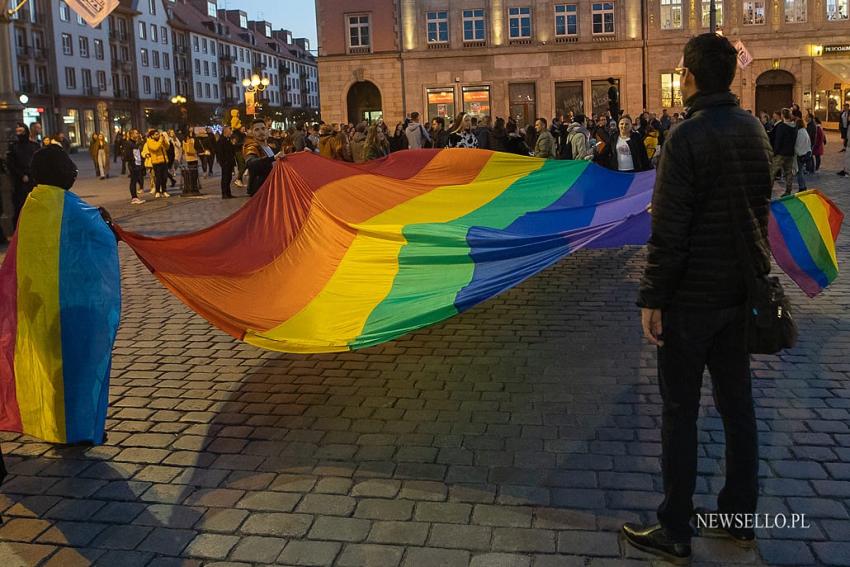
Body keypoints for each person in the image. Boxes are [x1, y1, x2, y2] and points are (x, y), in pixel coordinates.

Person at [626, 34, 772, 564]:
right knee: (738, 409)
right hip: (738, 297)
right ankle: (739, 520)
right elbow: (761, 208)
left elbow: (669, 231)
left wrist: (653, 298)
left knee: (680, 413)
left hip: (690, 302)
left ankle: (676, 526)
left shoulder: (684, 138)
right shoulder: (753, 129)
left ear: (688, 77)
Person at [6, 123, 40, 229]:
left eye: (21, 131)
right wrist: (21, 175)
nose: (19, 134)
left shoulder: (34, 146)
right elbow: (11, 164)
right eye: (17, 132)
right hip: (19, 182)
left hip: (33, 180)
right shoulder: (13, 147)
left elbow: (38, 162)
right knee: (19, 205)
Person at [243, 118, 286, 196]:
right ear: (252, 133)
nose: (261, 132)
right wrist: (272, 158)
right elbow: (251, 163)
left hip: (272, 189)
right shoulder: (251, 147)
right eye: (257, 130)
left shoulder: (271, 147)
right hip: (259, 191)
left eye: (263, 128)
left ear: (267, 131)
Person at [771, 109, 797, 194]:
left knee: (773, 172)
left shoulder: (781, 127)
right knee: (788, 172)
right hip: (790, 152)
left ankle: (768, 190)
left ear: (782, 115)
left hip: (781, 153)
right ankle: (788, 190)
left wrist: (775, 152)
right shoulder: (794, 126)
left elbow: (778, 140)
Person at [143, 129, 170, 198]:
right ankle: (157, 191)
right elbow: (155, 148)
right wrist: (161, 140)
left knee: (164, 177)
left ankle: (164, 191)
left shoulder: (160, 141)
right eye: (156, 134)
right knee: (158, 178)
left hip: (164, 161)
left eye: (158, 134)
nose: (158, 135)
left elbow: (167, 147)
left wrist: (164, 140)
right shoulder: (149, 142)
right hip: (156, 162)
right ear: (152, 136)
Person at [123, 129, 146, 205]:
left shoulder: (134, 143)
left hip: (137, 164)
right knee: (133, 181)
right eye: (136, 133)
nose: (138, 134)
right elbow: (127, 155)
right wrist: (133, 163)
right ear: (131, 134)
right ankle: (134, 198)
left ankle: (135, 197)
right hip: (133, 165)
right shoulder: (128, 143)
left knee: (135, 180)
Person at [216, 125, 236, 199]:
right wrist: (223, 162)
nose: (231, 132)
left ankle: (228, 193)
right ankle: (224, 193)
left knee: (229, 177)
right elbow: (220, 153)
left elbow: (231, 151)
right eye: (230, 131)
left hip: (229, 161)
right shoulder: (221, 140)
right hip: (225, 162)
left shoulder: (228, 140)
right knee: (225, 178)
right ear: (226, 132)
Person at [794, 117, 811, 193]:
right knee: (801, 171)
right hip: (806, 153)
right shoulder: (805, 131)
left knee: (799, 172)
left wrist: (796, 152)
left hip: (800, 154)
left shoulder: (799, 133)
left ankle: (802, 187)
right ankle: (803, 186)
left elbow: (798, 145)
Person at [182, 129, 201, 194]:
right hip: (189, 159)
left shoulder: (193, 139)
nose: (190, 134)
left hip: (194, 158)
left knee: (195, 173)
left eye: (192, 132)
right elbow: (186, 150)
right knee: (191, 173)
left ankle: (195, 186)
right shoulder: (185, 141)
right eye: (189, 132)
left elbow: (196, 147)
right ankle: (192, 187)